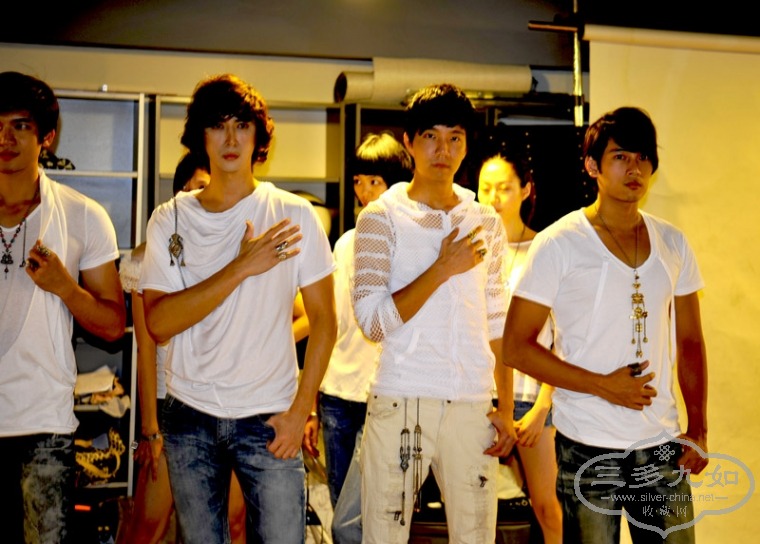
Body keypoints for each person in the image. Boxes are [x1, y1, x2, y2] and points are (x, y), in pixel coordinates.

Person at [138, 74, 337, 544]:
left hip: (270, 416)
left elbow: (327, 323)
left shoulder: (294, 215)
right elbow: (159, 322)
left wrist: (300, 411)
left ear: (258, 136)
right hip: (189, 415)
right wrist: (240, 266)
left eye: (242, 125)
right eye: (217, 125)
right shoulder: (170, 218)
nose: (230, 139)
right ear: (200, 136)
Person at [503, 106, 708, 543]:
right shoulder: (558, 243)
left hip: (660, 443)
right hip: (587, 446)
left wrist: (699, 427)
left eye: (643, 157)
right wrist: (603, 385)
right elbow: (516, 347)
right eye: (620, 157)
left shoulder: (673, 242)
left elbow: (690, 340)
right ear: (593, 166)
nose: (634, 168)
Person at [351, 83, 517, 543]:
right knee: (383, 536)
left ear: (466, 144)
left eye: (454, 138)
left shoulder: (485, 220)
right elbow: (373, 322)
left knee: (476, 536)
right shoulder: (380, 217)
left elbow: (498, 319)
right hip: (402, 395)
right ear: (409, 142)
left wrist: (505, 407)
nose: (443, 150)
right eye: (431, 137)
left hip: (472, 402)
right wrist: (442, 268)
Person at [0, 71, 126, 543]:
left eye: (20, 126)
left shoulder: (81, 215)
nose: (5, 139)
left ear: (47, 137)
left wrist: (65, 288)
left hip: (43, 424)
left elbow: (113, 326)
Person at [117, 152, 246, 544]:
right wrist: (150, 430)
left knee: (233, 524)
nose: (196, 198)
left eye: (204, 188)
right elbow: (145, 348)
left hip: (231, 406)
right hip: (172, 407)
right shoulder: (147, 257)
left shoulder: (239, 253)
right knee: (148, 526)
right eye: (188, 190)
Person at [305, 132, 411, 544]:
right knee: (344, 514)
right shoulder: (347, 242)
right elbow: (327, 323)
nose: (365, 192)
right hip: (337, 393)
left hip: (384, 395)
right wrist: (310, 401)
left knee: (360, 520)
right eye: (358, 182)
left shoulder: (410, 242)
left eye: (375, 182)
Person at [477, 149, 562, 544]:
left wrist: (544, 405)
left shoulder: (544, 249)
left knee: (547, 505)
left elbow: (564, 336)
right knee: (476, 507)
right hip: (479, 394)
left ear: (526, 190)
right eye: (485, 188)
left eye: (504, 188)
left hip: (530, 397)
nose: (493, 198)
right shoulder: (470, 251)